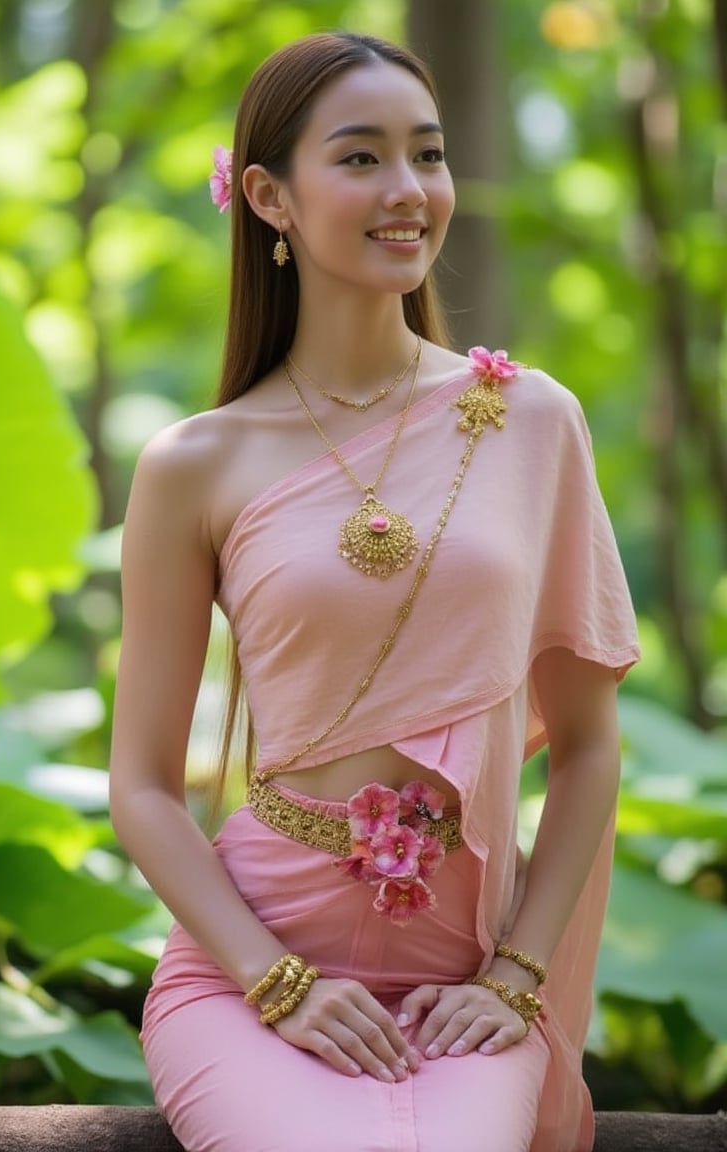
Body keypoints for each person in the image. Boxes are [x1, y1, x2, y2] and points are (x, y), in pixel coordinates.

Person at [109, 30, 640, 1152]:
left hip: (471, 995)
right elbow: (145, 790)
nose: (409, 192)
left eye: (429, 155)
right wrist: (275, 981)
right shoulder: (191, 466)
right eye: (360, 159)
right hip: (251, 976)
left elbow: (589, 747)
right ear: (269, 197)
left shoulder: (531, 420)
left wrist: (517, 977)